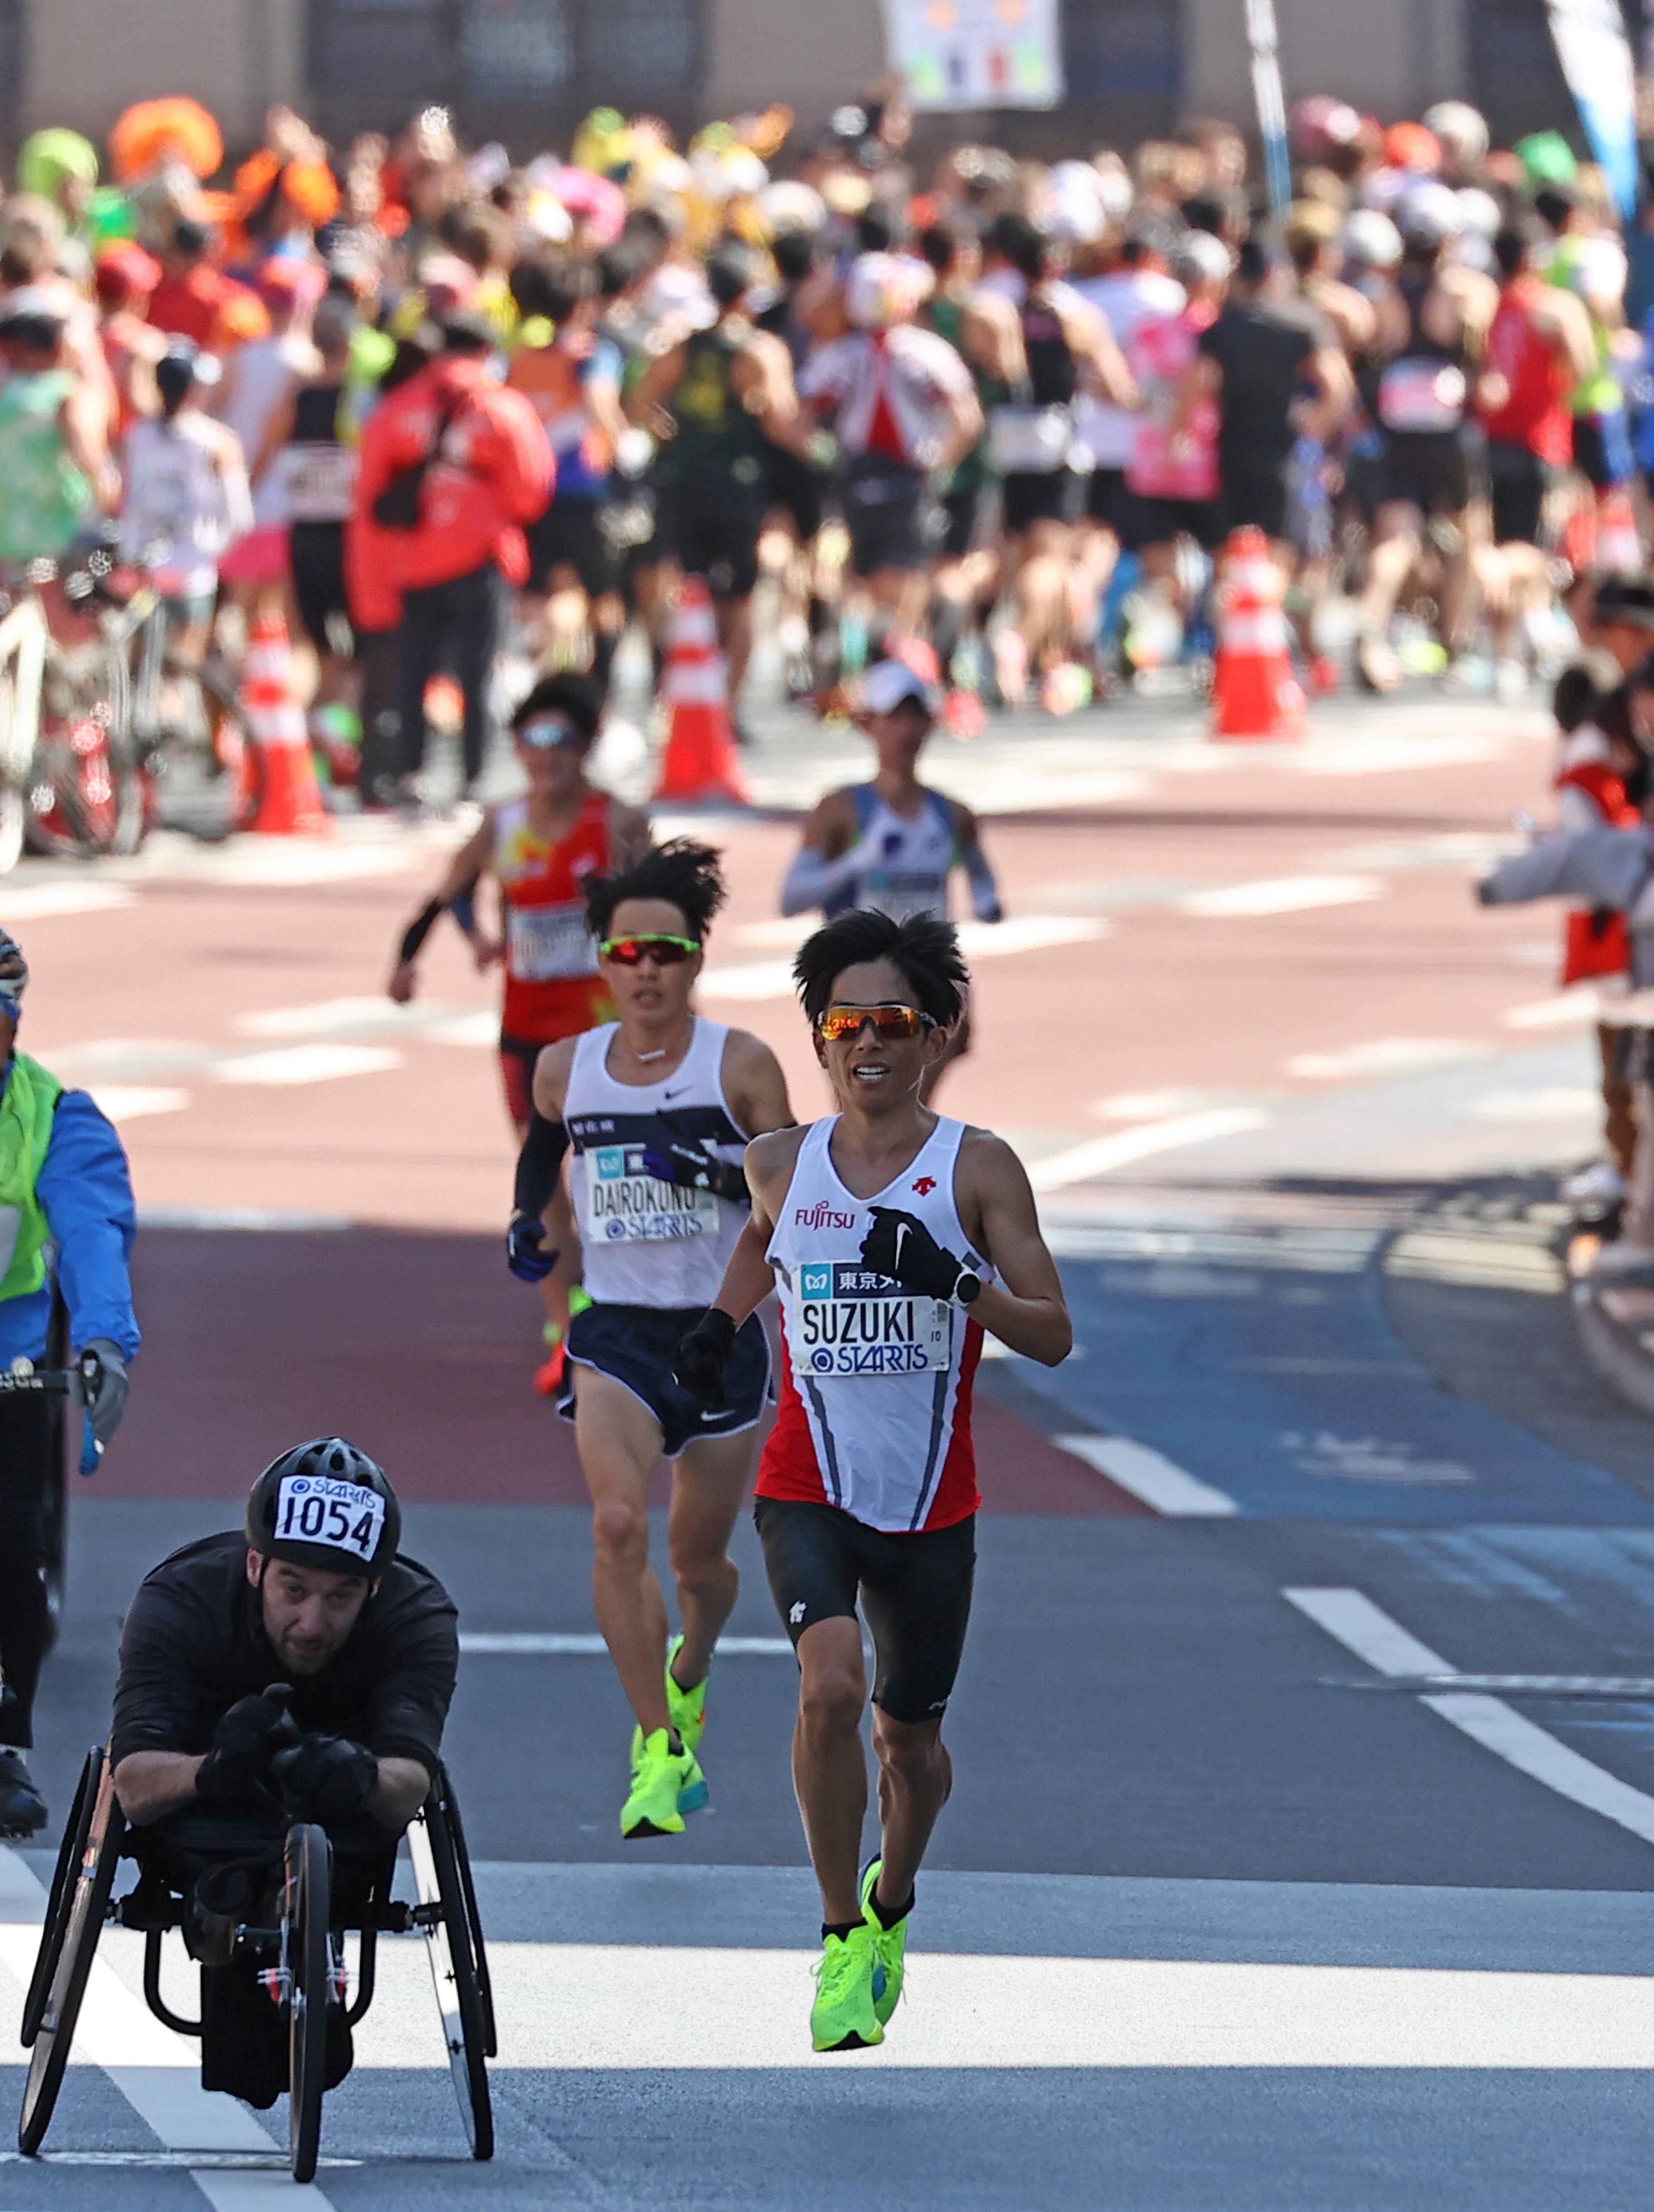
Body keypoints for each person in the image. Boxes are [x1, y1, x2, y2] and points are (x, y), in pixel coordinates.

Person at [671, 910, 1071, 2051]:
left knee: (912, 1748)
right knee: (829, 1687)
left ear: (936, 1036)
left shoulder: (979, 1168)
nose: (868, 1045)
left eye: (891, 1022)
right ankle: (844, 1935)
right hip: (808, 1481)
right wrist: (721, 1321)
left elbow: (1053, 1334)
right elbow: (766, 1231)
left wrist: (956, 1282)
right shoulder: (779, 1160)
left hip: (934, 1505)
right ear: (820, 1040)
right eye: (844, 1025)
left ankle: (897, 1898)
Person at [506, 841, 795, 1838]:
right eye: (626, 954)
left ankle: (695, 1664)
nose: (645, 971)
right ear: (604, 963)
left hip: (718, 1332)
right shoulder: (567, 1068)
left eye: (664, 952)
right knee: (618, 1525)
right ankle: (657, 1749)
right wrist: (525, 1220)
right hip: (616, 1334)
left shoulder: (741, 1065)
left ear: (696, 958)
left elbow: (791, 1199)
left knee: (698, 1564)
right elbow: (546, 1139)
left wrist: (711, 1176)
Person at [110, 1439, 458, 2108]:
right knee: (248, 2065)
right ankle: (230, 1912)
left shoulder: (416, 1616)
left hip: (342, 1822)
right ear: (253, 1566)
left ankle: (290, 1927)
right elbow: (132, 1785)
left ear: (375, 1588)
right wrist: (213, 1770)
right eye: (293, 1590)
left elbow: (412, 1783)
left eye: (340, 1597)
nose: (311, 1623)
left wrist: (359, 1775)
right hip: (202, 1816)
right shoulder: (179, 1601)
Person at [390, 673, 650, 1389]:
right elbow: (447, 895)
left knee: (613, 1181)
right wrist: (415, 960)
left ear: (587, 747)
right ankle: (567, 1337)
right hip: (527, 1039)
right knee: (542, 1190)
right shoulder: (502, 825)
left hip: (606, 1036)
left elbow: (664, 916)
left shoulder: (618, 824)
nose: (546, 756)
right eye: (531, 741)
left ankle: (618, 1313)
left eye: (561, 741)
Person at [0, 927, 137, 1835]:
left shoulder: (54, 1113)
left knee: (11, 1535)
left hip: (7, 1344)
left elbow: (90, 1230)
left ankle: (2, 1738)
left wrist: (102, 1339)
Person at [349, 312, 551, 800]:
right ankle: (474, 775)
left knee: (414, 672)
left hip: (414, 561)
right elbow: (532, 490)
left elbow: (371, 497)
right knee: (478, 671)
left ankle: (412, 772)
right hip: (481, 557)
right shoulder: (504, 408)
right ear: (485, 351)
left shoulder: (396, 408)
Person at [781, 655, 1001, 1097]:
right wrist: (855, 863)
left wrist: (986, 903)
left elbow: (985, 887)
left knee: (910, 1113)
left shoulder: (952, 814)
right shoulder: (840, 810)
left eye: (916, 716)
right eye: (893, 717)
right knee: (859, 1113)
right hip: (855, 978)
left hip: (926, 974)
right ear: (867, 724)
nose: (906, 730)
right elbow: (791, 897)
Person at [629, 241, 818, 718]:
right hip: (738, 484)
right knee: (741, 599)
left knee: (690, 591)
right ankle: (725, 707)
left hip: (685, 482)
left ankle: (683, 696)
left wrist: (669, 433)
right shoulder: (760, 351)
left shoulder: (683, 347)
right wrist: (819, 452)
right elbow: (782, 421)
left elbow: (640, 403)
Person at [119, 342, 252, 658]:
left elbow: (123, 497)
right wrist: (210, 553)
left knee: (137, 664)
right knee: (185, 665)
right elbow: (240, 518)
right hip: (191, 571)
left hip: (139, 568)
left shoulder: (138, 434)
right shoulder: (219, 442)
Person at [0, 298, 118, 563]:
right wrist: (108, 491)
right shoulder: (67, 394)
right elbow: (85, 449)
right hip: (58, 517)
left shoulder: (9, 393)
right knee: (56, 595)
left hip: (10, 516)